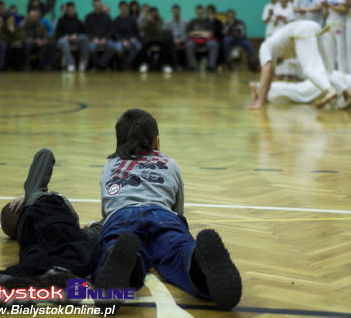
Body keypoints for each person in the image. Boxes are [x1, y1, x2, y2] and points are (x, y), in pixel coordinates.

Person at [93, 109, 242, 311]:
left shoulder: (110, 165)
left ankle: (117, 258)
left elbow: (107, 207)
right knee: (177, 248)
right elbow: (178, 210)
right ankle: (196, 259)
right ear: (156, 141)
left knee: (115, 240)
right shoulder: (169, 164)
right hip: (162, 215)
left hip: (122, 216)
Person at [0, 148, 100, 295]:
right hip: (50, 213)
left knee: (33, 257)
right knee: (85, 249)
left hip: (36, 236)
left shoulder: (27, 234)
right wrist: (28, 193)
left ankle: (7, 277)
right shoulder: (36, 195)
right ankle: (61, 273)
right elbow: (45, 154)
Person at [248, 20, 338, 109]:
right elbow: (269, 78)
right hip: (314, 26)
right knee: (326, 70)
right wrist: (263, 98)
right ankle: (349, 94)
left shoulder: (264, 49)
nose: (262, 71)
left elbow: (265, 78)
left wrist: (260, 101)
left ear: (258, 66)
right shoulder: (274, 49)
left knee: (309, 70)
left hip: (301, 31)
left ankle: (329, 90)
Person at [138, 7, 176, 73]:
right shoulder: (145, 18)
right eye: (152, 12)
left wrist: (153, 23)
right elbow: (140, 28)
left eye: (155, 12)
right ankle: (145, 64)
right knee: (142, 46)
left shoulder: (160, 19)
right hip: (148, 39)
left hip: (158, 39)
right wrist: (147, 21)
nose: (154, 14)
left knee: (166, 46)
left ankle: (164, 65)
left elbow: (159, 31)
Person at [55, 1, 89, 72]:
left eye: (72, 8)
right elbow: (58, 33)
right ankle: (70, 64)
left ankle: (82, 63)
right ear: (66, 10)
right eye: (69, 9)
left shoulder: (78, 21)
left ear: (74, 9)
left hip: (75, 39)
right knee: (63, 42)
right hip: (64, 39)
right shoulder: (61, 20)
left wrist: (76, 35)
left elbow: (84, 32)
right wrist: (65, 35)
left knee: (85, 39)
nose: (71, 10)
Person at [85, 0, 116, 70]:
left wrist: (105, 39)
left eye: (99, 5)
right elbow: (87, 31)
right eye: (96, 5)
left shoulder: (107, 17)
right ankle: (96, 65)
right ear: (93, 6)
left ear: (101, 5)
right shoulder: (88, 17)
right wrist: (93, 39)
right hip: (93, 40)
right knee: (92, 48)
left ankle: (101, 65)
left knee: (112, 47)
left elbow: (110, 30)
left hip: (105, 39)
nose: (98, 7)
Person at [322, 0, 347, 72]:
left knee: (340, 49)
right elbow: (326, 13)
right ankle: (330, 70)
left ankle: (342, 71)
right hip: (329, 24)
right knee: (329, 50)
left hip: (339, 24)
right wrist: (325, 8)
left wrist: (329, 5)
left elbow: (343, 9)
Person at [185, 5, 218, 71]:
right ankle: (193, 65)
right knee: (189, 45)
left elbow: (210, 34)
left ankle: (211, 66)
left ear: (203, 12)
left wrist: (197, 33)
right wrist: (202, 33)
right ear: (196, 11)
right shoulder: (192, 22)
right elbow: (189, 33)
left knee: (214, 44)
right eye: (198, 11)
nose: (200, 12)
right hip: (194, 41)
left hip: (206, 41)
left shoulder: (207, 22)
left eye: (201, 11)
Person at [112, 0, 141, 70]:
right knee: (118, 48)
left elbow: (137, 32)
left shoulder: (132, 19)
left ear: (127, 9)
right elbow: (115, 33)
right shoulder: (116, 20)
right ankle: (126, 64)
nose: (124, 10)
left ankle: (126, 65)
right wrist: (123, 41)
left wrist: (134, 38)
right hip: (121, 41)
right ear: (119, 9)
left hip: (131, 40)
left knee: (139, 47)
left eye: (125, 8)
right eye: (122, 8)